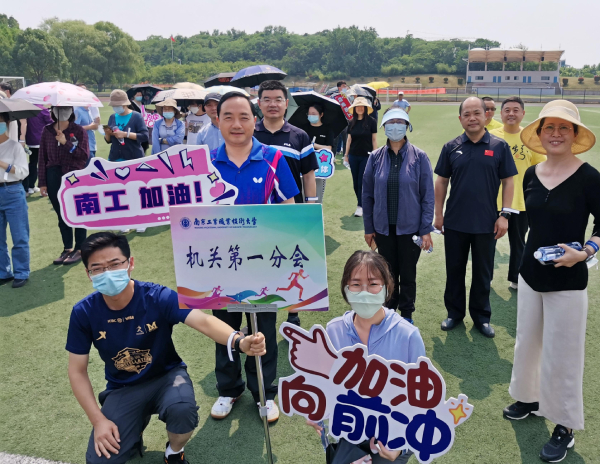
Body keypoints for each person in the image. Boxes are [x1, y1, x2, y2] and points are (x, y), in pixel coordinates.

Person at [67, 232, 266, 464]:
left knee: (183, 410)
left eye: (114, 264)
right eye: (98, 268)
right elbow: (77, 371)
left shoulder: (156, 296)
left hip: (167, 376)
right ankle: (134, 429)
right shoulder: (83, 312)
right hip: (122, 387)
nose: (108, 273)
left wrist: (239, 341)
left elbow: (203, 321)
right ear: (88, 274)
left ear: (130, 263)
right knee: (100, 461)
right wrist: (98, 421)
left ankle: (174, 451)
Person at [503, 100, 599, 463]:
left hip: (569, 279)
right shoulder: (531, 174)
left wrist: (586, 251)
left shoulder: (589, 177)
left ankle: (564, 425)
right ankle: (528, 398)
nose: (556, 134)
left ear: (575, 134)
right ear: (540, 133)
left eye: (564, 128)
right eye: (549, 128)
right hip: (530, 274)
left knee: (563, 352)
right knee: (527, 340)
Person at [208, 91, 299, 424]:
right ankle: (228, 388)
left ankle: (264, 392)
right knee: (224, 328)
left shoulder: (274, 159)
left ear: (254, 120)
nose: (236, 124)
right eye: (228, 117)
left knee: (263, 331)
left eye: (244, 116)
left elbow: (289, 211)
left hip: (263, 265)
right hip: (220, 264)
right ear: (217, 121)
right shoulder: (204, 163)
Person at [307, 250, 425, 463]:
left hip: (393, 435)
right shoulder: (333, 330)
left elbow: (421, 399)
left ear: (386, 287)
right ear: (346, 288)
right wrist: (315, 408)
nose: (364, 292)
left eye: (373, 284)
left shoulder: (408, 335)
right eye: (356, 284)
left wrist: (401, 446)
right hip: (349, 431)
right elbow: (323, 383)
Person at [433, 97, 517, 338]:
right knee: (455, 270)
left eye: (477, 113)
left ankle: (481, 317)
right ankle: (454, 313)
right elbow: (441, 181)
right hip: (455, 222)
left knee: (483, 273)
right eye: (467, 114)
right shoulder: (451, 147)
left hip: (486, 222)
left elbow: (508, 181)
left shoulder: (499, 146)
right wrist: (438, 214)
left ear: (486, 116)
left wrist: (504, 215)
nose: (472, 118)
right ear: (460, 119)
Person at [362, 108, 434, 323]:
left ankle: (407, 314)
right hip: (383, 228)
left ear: (407, 126)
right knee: (387, 273)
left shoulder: (419, 157)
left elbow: (427, 196)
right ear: (384, 126)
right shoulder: (375, 158)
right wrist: (368, 228)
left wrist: (426, 229)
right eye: (391, 122)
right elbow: (367, 195)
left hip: (410, 229)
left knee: (408, 274)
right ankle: (389, 311)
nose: (395, 126)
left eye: (399, 122)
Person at [490, 96, 546, 289]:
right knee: (488, 243)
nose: (511, 114)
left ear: (523, 113)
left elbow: (540, 170)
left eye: (515, 110)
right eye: (507, 110)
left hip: (521, 202)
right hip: (492, 201)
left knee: (519, 243)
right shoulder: (490, 136)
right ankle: (486, 277)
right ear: (501, 113)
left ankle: (516, 278)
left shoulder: (531, 139)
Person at [39, 106, 89, 265]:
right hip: (53, 174)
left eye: (66, 108)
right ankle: (67, 247)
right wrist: (42, 182)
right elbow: (42, 157)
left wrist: (65, 143)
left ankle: (80, 248)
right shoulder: (47, 130)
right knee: (61, 213)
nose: (62, 111)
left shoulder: (79, 130)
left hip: (74, 175)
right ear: (53, 111)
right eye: (58, 108)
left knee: (78, 211)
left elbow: (83, 155)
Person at [0, 112, 30, 288]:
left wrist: (2, 164)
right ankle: (4, 272)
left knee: (19, 236)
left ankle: (21, 272)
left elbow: (22, 172)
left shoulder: (14, 146)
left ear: (7, 123)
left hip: (12, 191)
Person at [344, 96, 378, 217]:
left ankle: (361, 206)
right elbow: (349, 140)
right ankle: (362, 203)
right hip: (353, 156)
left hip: (366, 156)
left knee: (362, 182)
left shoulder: (372, 121)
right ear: (354, 108)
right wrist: (346, 155)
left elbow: (374, 139)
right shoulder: (351, 122)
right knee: (355, 182)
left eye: (362, 106)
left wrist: (375, 154)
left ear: (365, 108)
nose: (359, 108)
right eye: (357, 106)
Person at [104, 90, 148, 162]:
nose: (115, 107)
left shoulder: (137, 116)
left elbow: (144, 136)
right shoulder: (112, 117)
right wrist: (107, 133)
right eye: (114, 106)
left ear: (125, 104)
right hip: (114, 158)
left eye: (117, 105)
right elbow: (108, 141)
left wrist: (125, 134)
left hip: (133, 159)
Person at [23, 104, 53, 196]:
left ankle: (31, 186)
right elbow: (50, 124)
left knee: (32, 163)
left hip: (31, 141)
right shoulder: (43, 110)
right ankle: (44, 188)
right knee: (44, 164)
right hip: (42, 141)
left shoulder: (27, 109)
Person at [74, 84, 101, 163]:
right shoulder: (77, 111)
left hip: (91, 144)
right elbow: (74, 129)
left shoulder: (89, 110)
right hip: (83, 145)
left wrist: (94, 125)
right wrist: (90, 127)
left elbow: (96, 124)